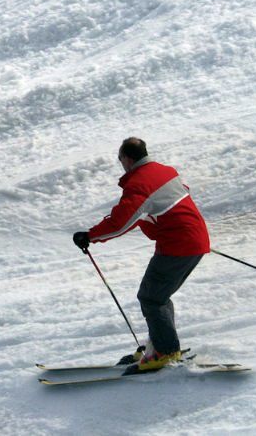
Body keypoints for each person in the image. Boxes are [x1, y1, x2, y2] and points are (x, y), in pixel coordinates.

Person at [73, 137, 210, 371]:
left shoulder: (139, 183)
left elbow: (120, 222)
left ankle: (165, 351)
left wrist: (90, 236)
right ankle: (160, 345)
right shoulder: (164, 171)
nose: (121, 164)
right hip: (192, 240)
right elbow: (167, 203)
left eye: (119, 159)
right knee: (157, 296)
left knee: (151, 297)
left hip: (179, 244)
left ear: (126, 158)